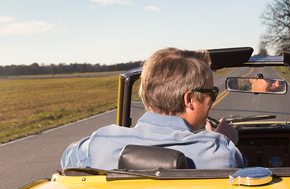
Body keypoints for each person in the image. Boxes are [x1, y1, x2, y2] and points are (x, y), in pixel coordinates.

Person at [61, 48, 245, 170]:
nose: (211, 100)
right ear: (189, 100)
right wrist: (223, 139)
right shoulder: (220, 152)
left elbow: (66, 160)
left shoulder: (98, 144)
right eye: (212, 92)